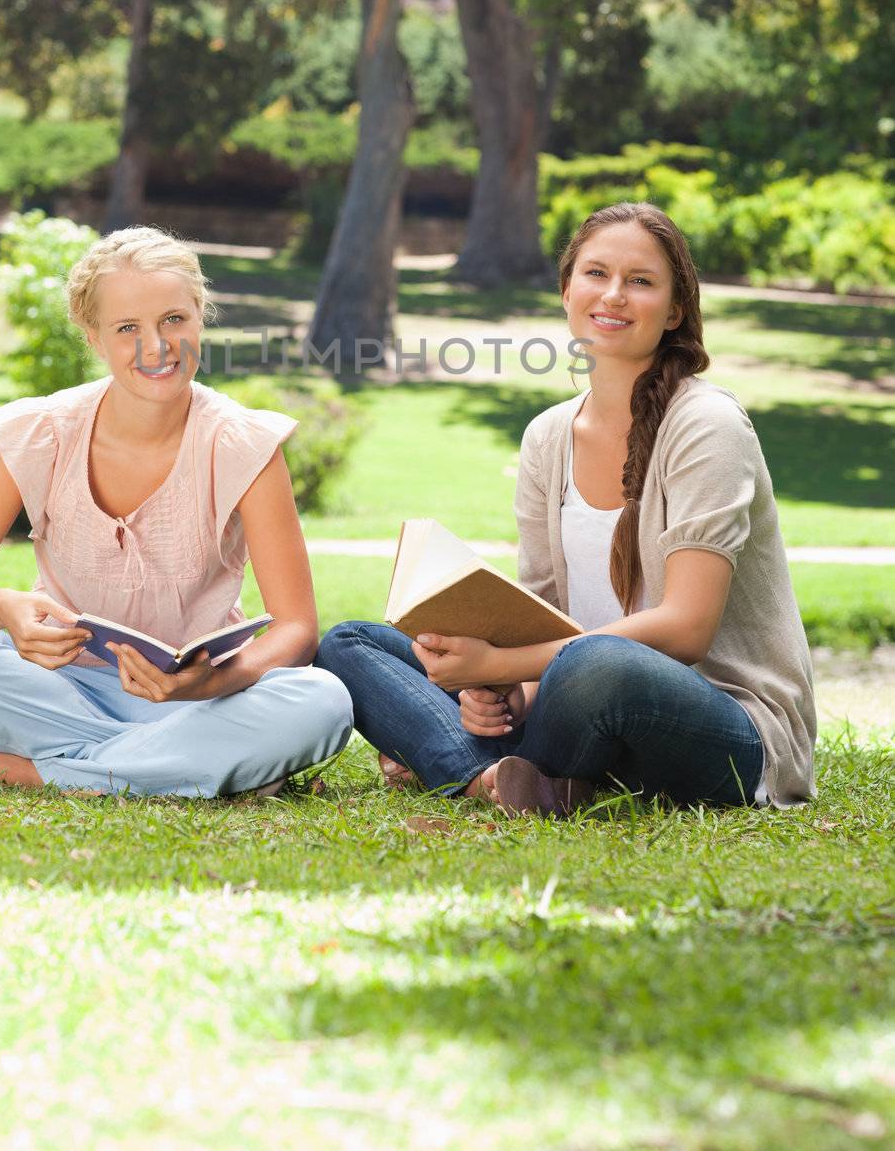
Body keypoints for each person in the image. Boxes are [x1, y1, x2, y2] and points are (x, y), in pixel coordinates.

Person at [317, 202, 816, 816]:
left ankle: (451, 757)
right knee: (351, 643)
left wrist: (501, 664)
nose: (613, 295)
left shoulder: (706, 426)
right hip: (571, 698)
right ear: (566, 289)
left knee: (598, 664)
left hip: (725, 728)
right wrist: (503, 694)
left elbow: (686, 629)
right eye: (595, 273)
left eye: (641, 281)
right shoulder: (547, 437)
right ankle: (503, 779)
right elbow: (543, 621)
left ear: (675, 310)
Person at [0, 226, 353, 797]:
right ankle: (185, 771)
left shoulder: (244, 444)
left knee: (323, 701)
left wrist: (213, 684)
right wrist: (2, 609)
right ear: (93, 338)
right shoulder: (40, 433)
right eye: (127, 328)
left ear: (199, 319)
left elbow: (296, 628)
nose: (157, 346)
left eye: (174, 320)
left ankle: (26, 773)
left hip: (198, 702)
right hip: (58, 690)